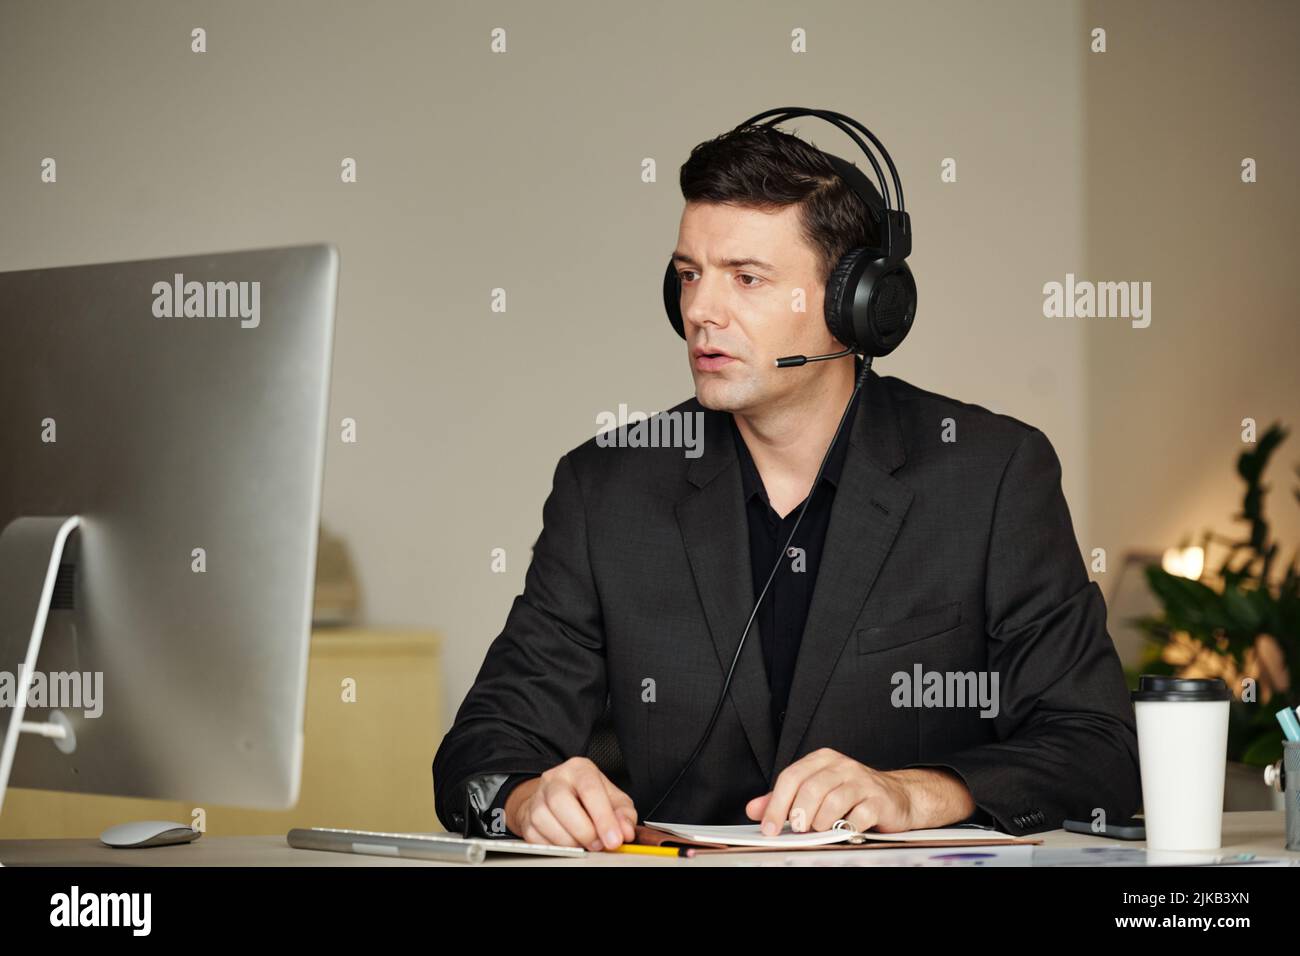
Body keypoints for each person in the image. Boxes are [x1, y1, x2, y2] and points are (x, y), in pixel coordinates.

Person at [432, 118, 1140, 851]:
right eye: (687, 275)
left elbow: (1100, 751)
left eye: (746, 278)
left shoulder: (990, 475)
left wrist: (917, 792)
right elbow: (480, 748)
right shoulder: (605, 489)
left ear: (855, 304)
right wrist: (522, 796)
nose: (700, 311)